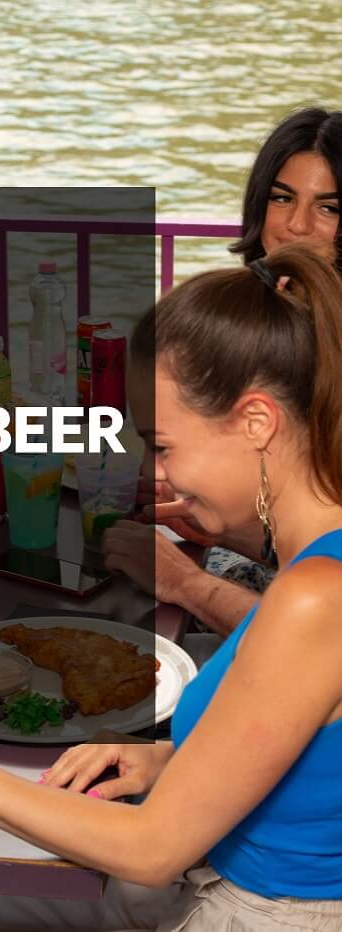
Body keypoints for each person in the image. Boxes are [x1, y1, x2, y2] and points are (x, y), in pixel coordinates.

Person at [0, 244, 342, 930]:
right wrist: (172, 761)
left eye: (162, 445)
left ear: (255, 422)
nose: (154, 472)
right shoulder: (315, 568)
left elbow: (151, 850)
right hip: (225, 867)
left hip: (262, 910)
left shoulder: (316, 596)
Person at [106, 107, 341, 637]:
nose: (297, 225)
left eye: (329, 207)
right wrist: (221, 520)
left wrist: (185, 582)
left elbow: (321, 633)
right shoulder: (270, 317)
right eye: (282, 198)